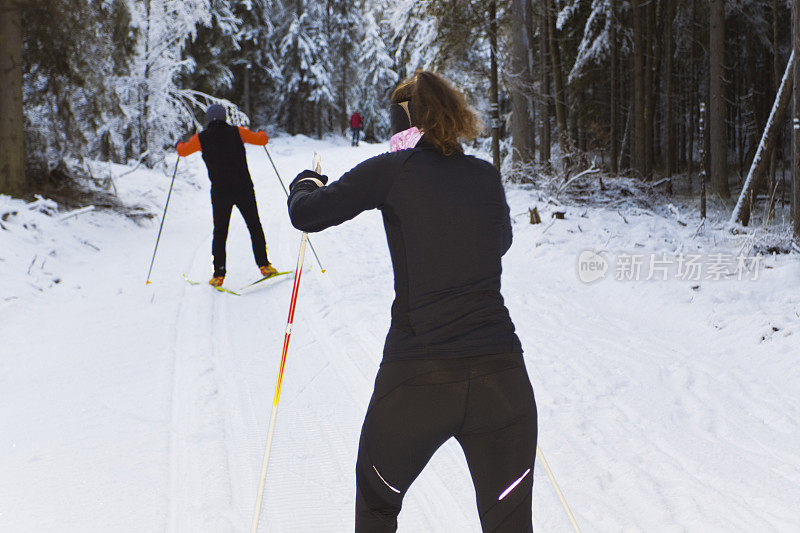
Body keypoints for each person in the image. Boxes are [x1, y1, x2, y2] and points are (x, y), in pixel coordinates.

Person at [287, 72, 537, 532]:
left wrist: (303, 182)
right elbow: (498, 242)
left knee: (378, 505)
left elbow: (307, 213)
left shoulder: (391, 169)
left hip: (419, 377)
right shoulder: (485, 175)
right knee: (510, 524)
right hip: (502, 381)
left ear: (403, 121)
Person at [177, 104, 277, 287]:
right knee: (254, 225)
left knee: (220, 231)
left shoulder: (201, 138)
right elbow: (262, 140)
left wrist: (179, 144)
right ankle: (264, 266)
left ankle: (219, 274)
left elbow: (182, 152)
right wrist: (262, 133)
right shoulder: (237, 131)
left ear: (208, 119)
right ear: (224, 117)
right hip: (243, 188)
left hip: (220, 191)